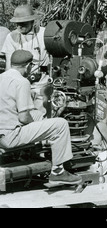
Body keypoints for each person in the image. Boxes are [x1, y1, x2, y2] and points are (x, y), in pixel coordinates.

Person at [0, 49, 82, 185]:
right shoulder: (21, 82)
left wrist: (44, 123)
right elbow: (24, 118)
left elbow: (27, 111)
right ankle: (58, 172)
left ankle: (50, 145)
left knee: (41, 117)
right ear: (28, 66)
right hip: (10, 137)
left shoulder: (1, 77)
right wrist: (38, 127)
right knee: (61, 124)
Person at [1, 4, 50, 116]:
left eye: (24, 23)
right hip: (20, 85)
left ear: (33, 22)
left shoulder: (45, 34)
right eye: (18, 23)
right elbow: (9, 67)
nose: (20, 26)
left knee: (41, 112)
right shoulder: (12, 37)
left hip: (41, 86)